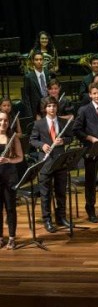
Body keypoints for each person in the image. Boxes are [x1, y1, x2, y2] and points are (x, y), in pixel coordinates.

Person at [29, 96, 74, 233]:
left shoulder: (62, 121)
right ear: (45, 108)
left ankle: (61, 217)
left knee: (61, 192)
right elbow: (32, 140)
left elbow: (70, 137)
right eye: (49, 106)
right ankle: (47, 220)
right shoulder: (39, 124)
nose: (52, 108)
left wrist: (64, 141)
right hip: (45, 163)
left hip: (60, 161)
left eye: (54, 106)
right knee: (46, 193)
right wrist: (42, 145)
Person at [72, 82, 98, 223]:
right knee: (90, 183)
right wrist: (90, 138)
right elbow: (76, 130)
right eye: (94, 93)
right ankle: (91, 210)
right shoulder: (84, 110)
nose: (97, 95)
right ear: (90, 95)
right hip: (91, 151)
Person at [0, 111, 23, 250]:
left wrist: (8, 160)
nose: (3, 123)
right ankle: (0, 237)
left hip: (9, 177)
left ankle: (12, 238)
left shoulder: (13, 137)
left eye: (5, 120)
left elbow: (20, 157)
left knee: (10, 208)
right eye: (0, 120)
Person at [23, 51, 50, 119]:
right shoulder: (28, 77)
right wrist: (30, 115)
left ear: (43, 60)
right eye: (36, 59)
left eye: (41, 59)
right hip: (36, 112)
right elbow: (26, 98)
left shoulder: (47, 73)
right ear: (33, 61)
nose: (39, 61)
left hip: (48, 107)